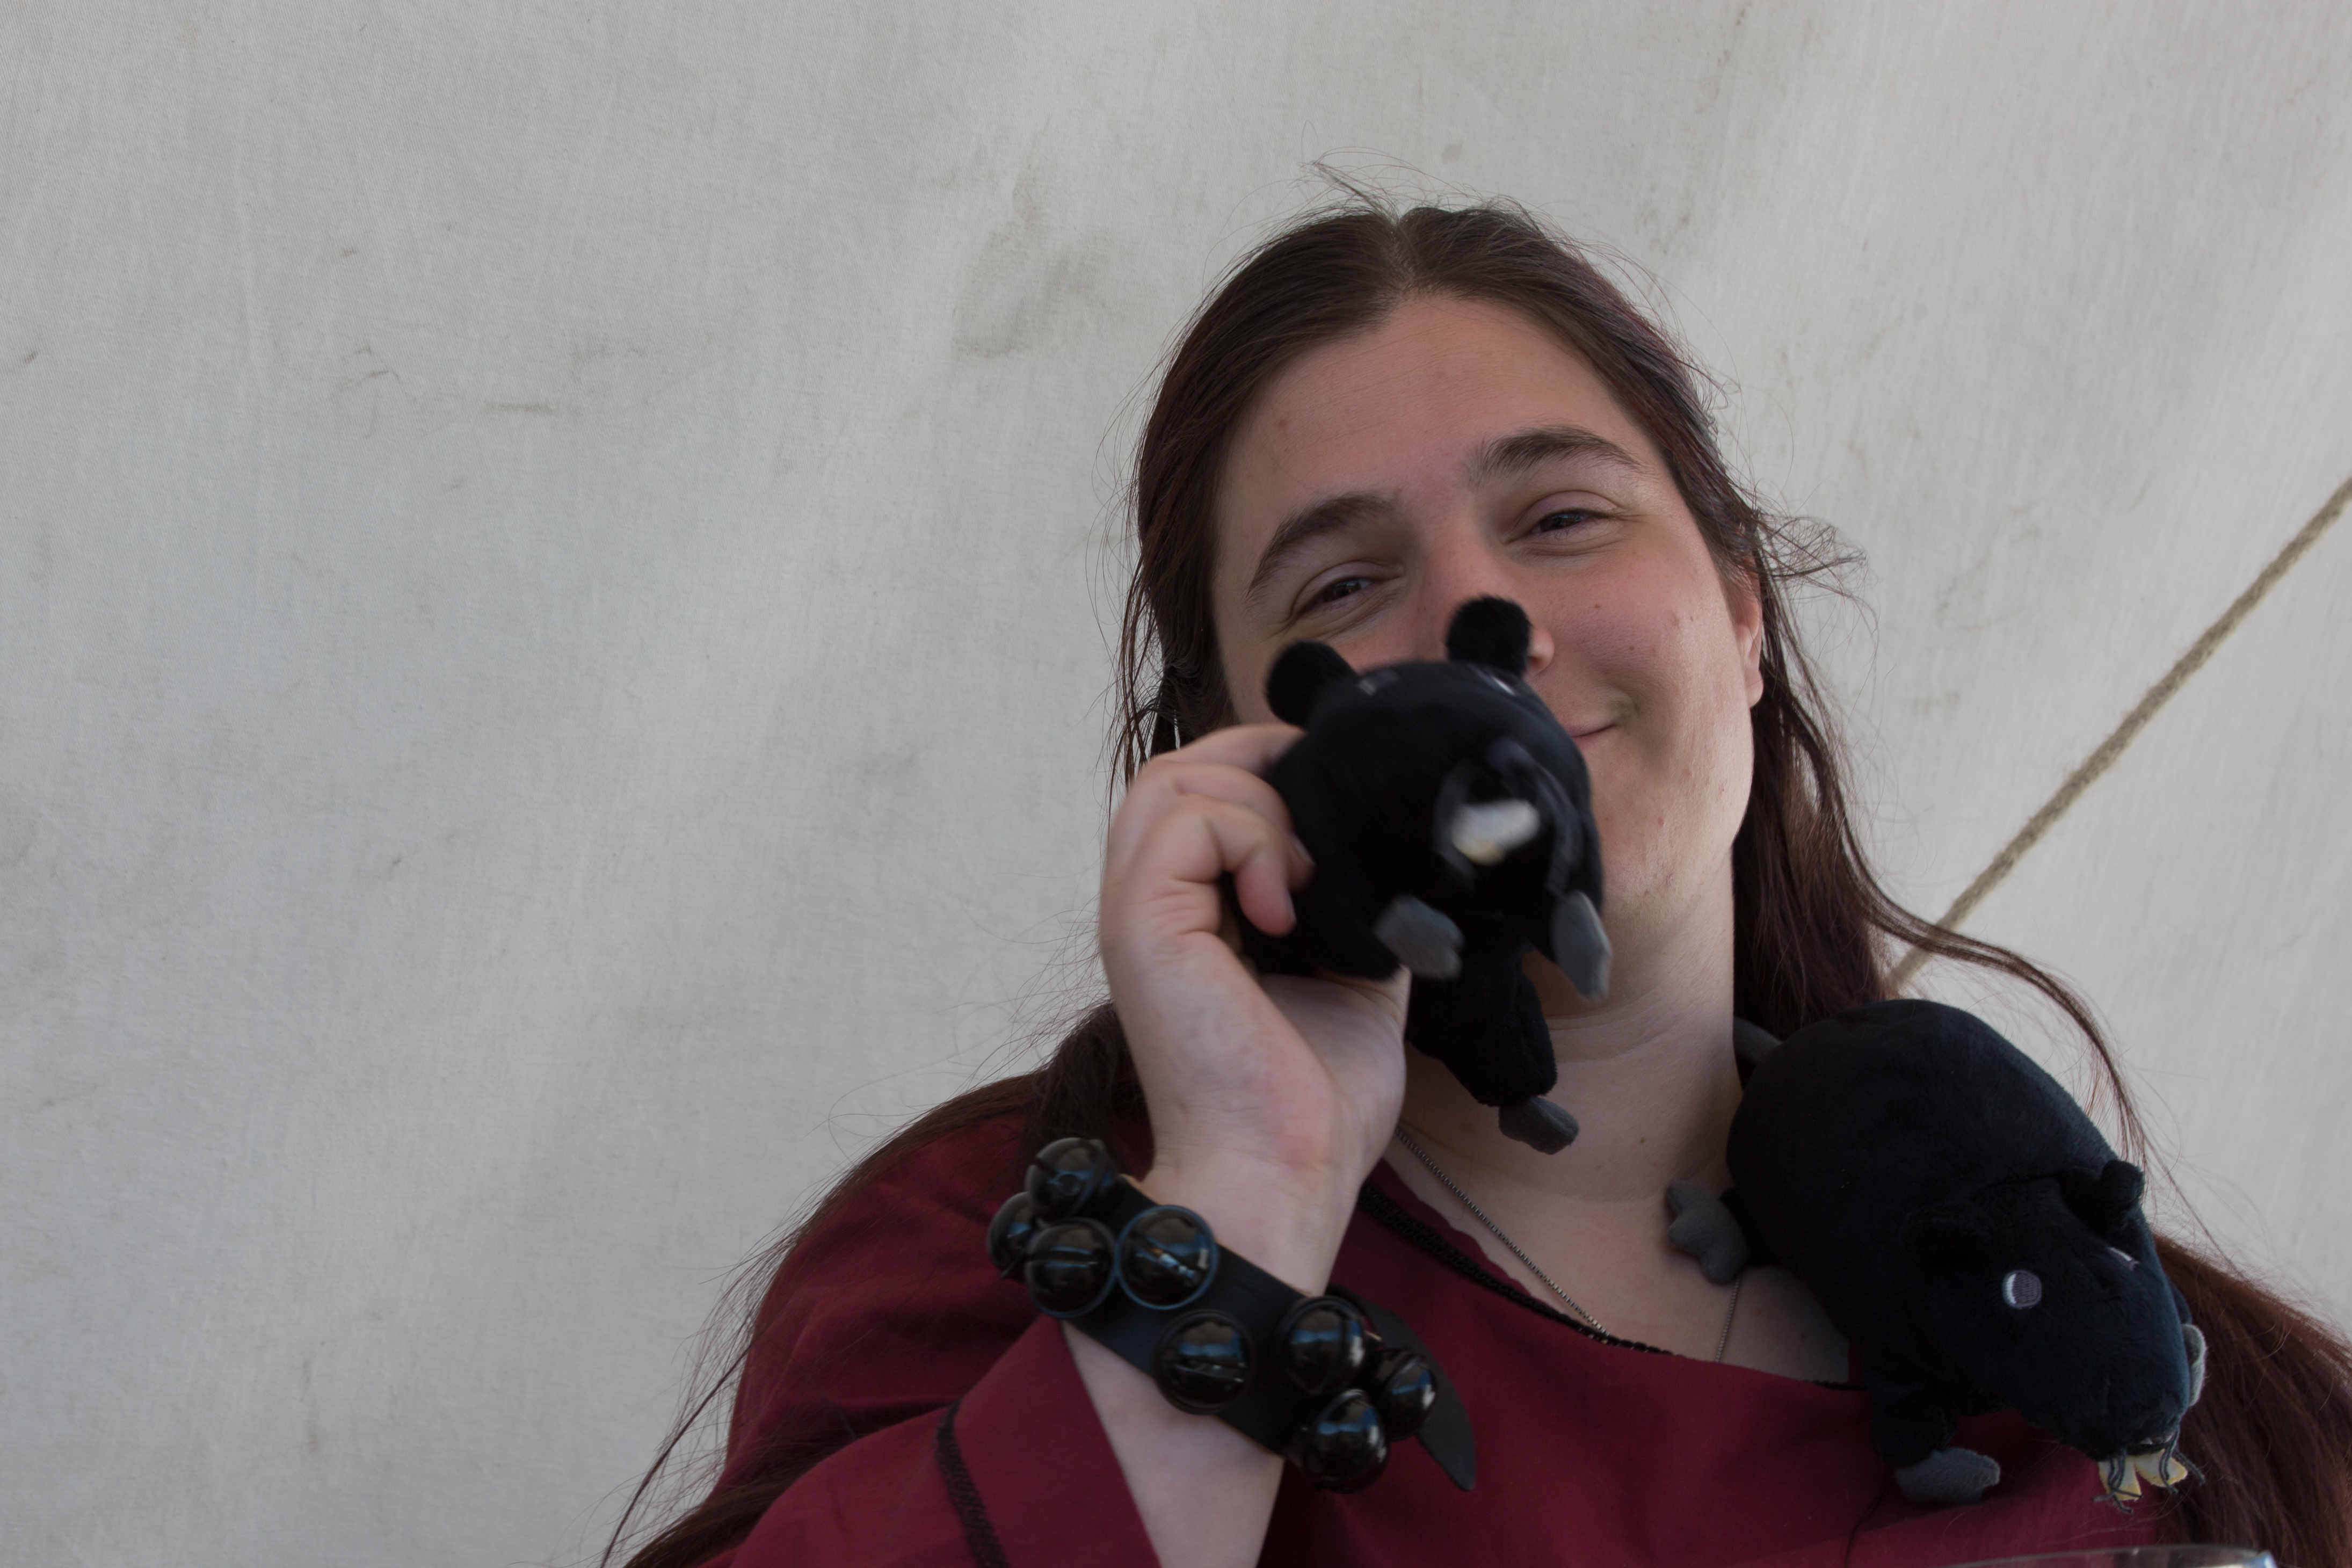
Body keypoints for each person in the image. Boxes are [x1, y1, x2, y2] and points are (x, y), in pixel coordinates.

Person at [606, 201, 2352, 1568]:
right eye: (1341, 588)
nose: (1471, 624)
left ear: (1742, 616)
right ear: (1232, 750)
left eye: (1561, 518)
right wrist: (1245, 1206)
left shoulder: (2153, 1353)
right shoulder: (995, 1254)